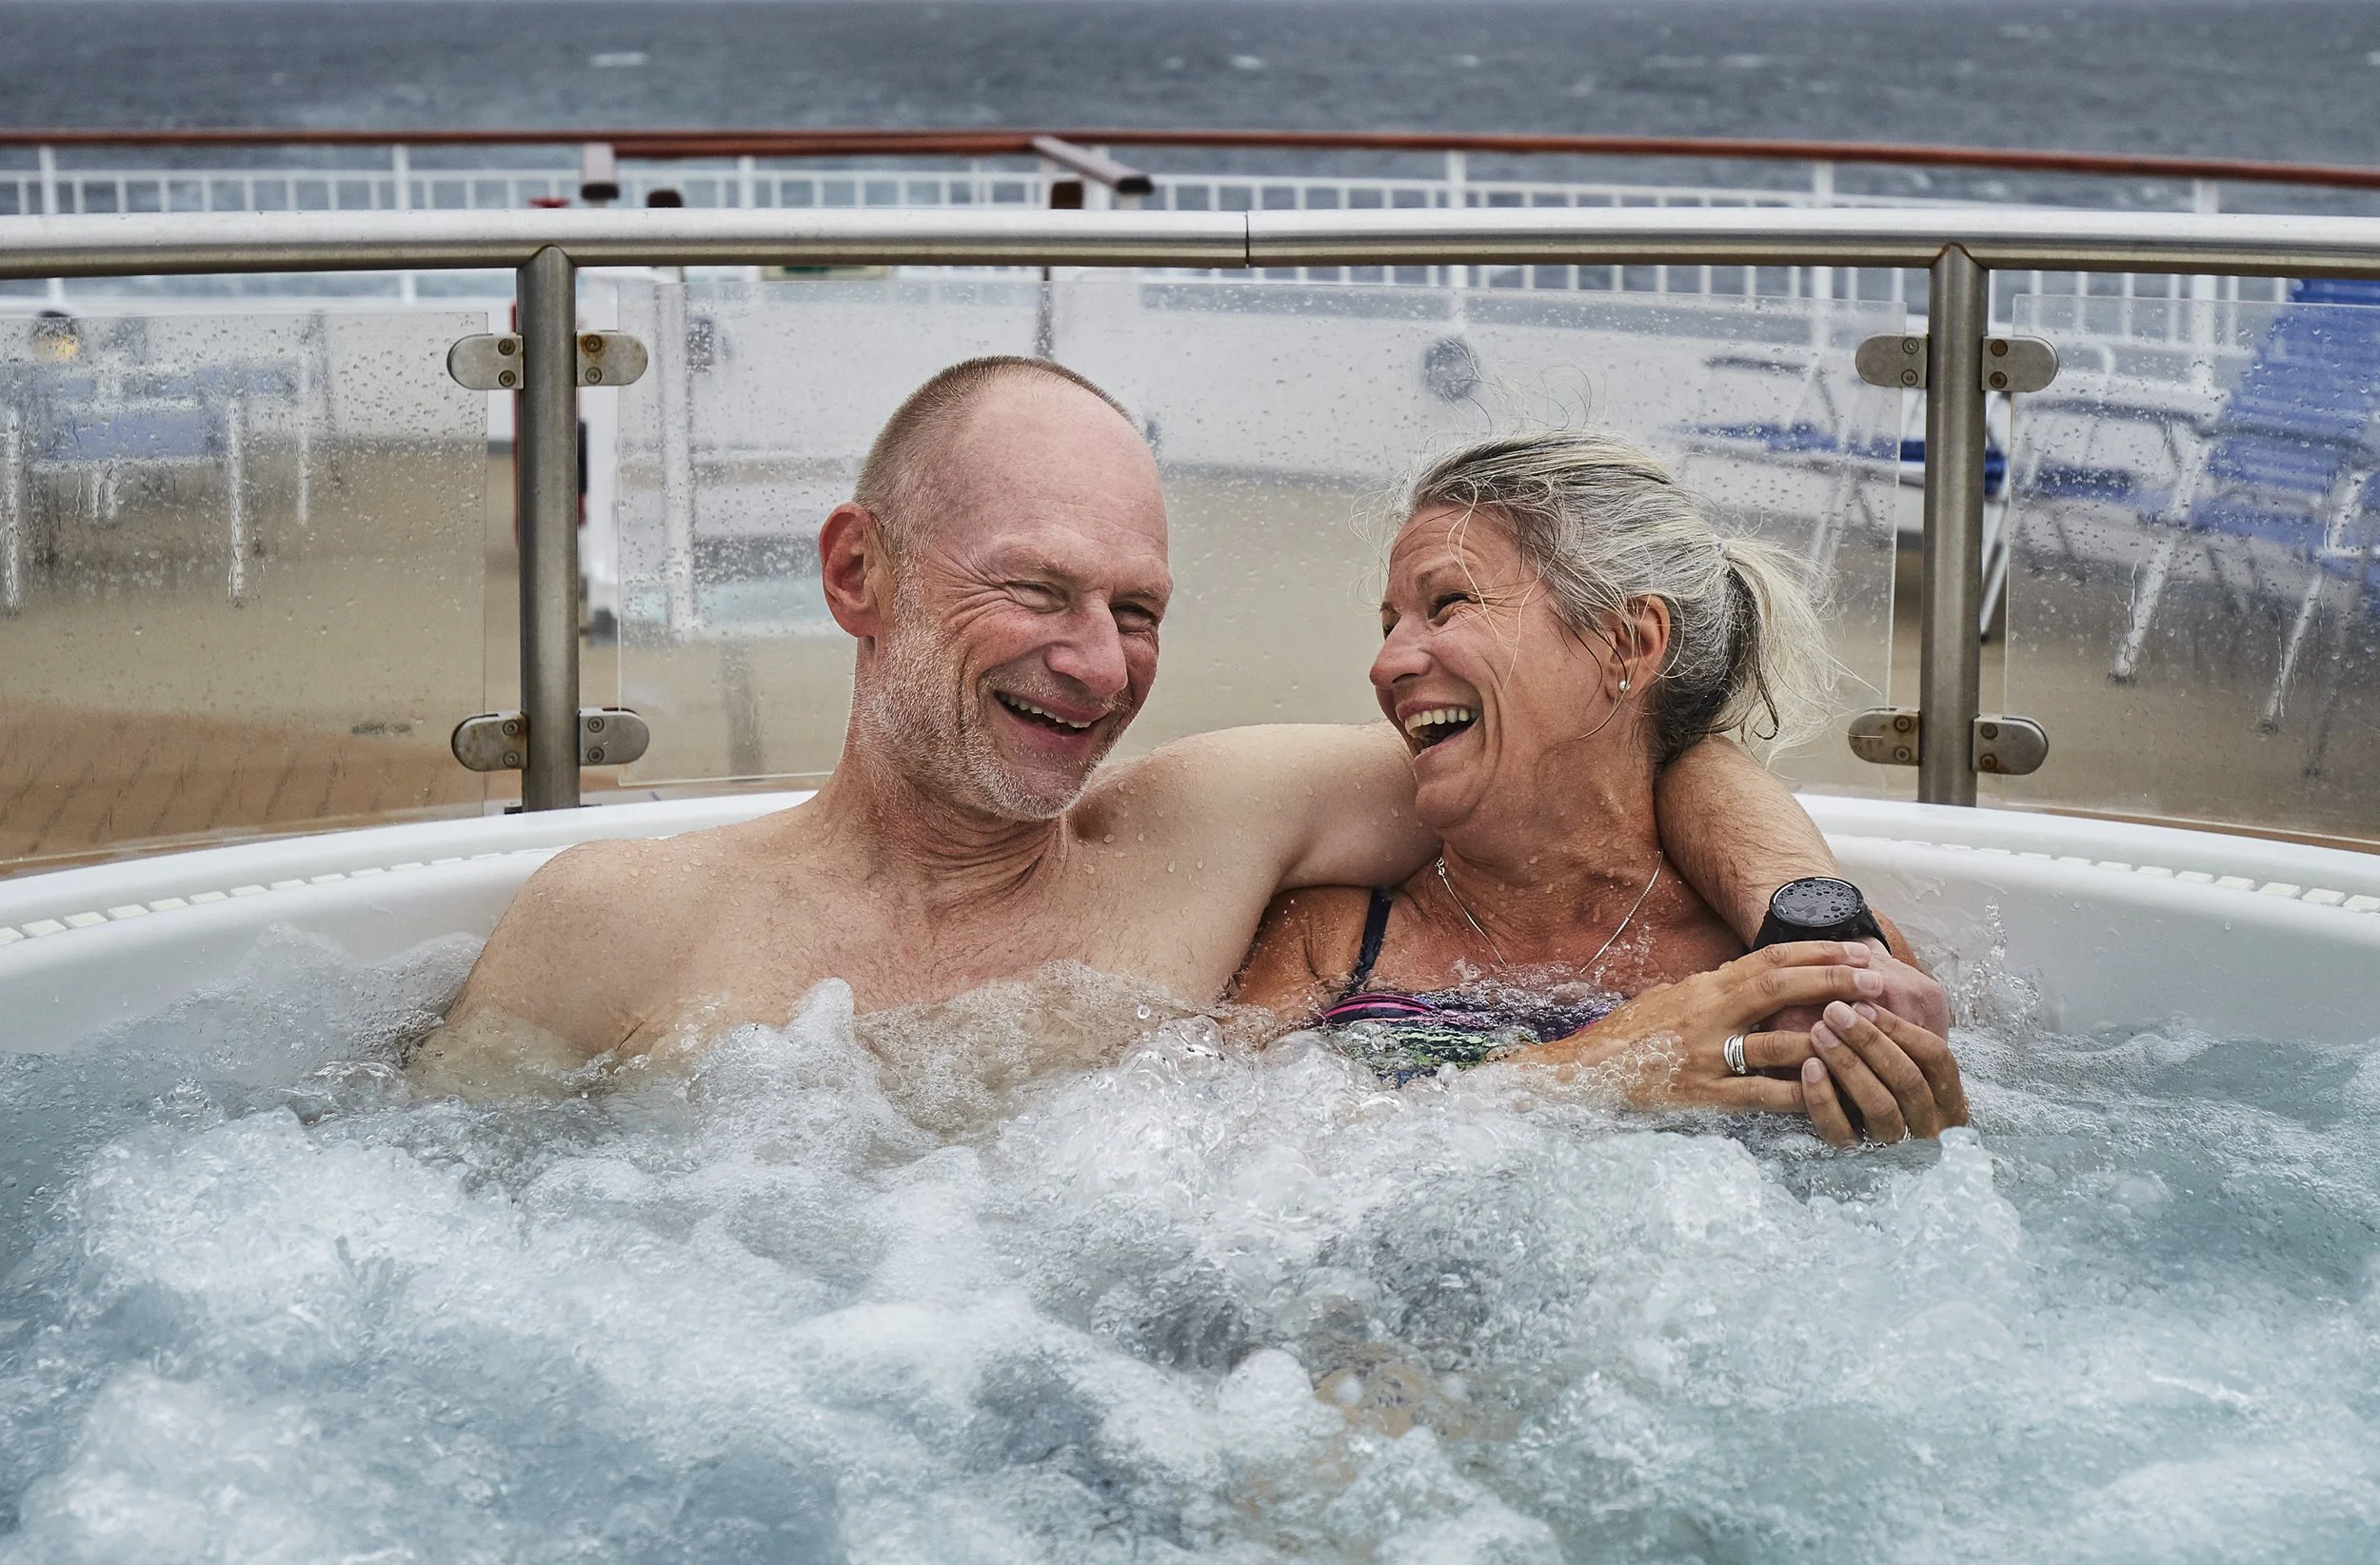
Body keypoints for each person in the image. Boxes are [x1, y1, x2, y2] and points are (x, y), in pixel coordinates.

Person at [438, 356, 1886, 1081]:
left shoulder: (1207, 834)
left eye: (1136, 612)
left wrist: (1816, 930)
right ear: (856, 573)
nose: (1096, 663)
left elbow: (1627, 754)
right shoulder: (616, 923)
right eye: (1038, 591)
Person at [1234, 432, 1966, 1146]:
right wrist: (1595, 1067)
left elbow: (1931, 1182)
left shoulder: (1795, 961)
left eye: (1449, 603)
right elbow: (1219, 1168)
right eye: (1389, 625)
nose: (1385, 664)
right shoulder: (1328, 940)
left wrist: (1910, 1125)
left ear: (1629, 642)